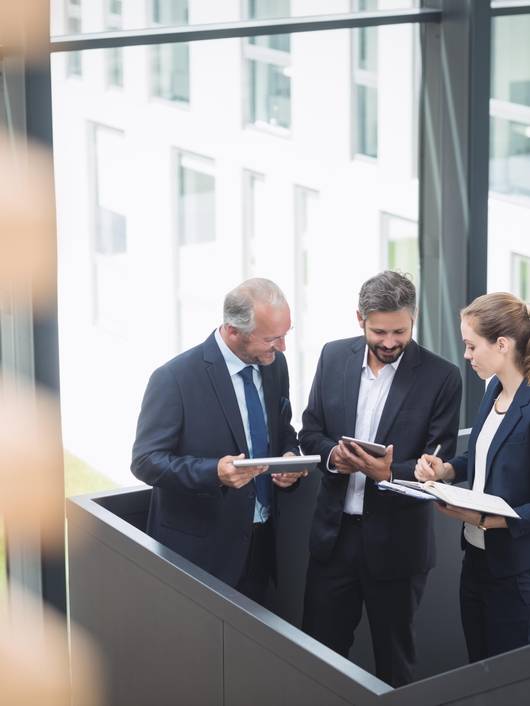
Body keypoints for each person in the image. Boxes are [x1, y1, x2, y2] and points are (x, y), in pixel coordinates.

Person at [299, 270, 462, 687]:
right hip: (333, 541)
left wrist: (388, 471)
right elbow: (310, 431)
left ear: (414, 319)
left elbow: (437, 462)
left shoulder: (442, 377)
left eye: (400, 331)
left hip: (398, 546)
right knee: (317, 658)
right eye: (379, 331)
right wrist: (334, 456)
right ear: (360, 319)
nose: (390, 342)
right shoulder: (332, 357)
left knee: (395, 665)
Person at [131, 278, 303, 605]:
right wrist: (214, 473)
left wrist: (289, 456)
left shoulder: (274, 365)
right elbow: (145, 461)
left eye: (285, 335)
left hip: (262, 546)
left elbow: (282, 428)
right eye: (272, 338)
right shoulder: (174, 378)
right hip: (200, 554)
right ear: (234, 331)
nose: (282, 347)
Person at [415, 292, 530, 663]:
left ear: (502, 344)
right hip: (476, 561)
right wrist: (446, 469)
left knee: (508, 682)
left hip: (517, 570)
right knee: (478, 672)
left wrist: (496, 520)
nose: (466, 356)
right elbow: (480, 456)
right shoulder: (492, 390)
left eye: (470, 346)